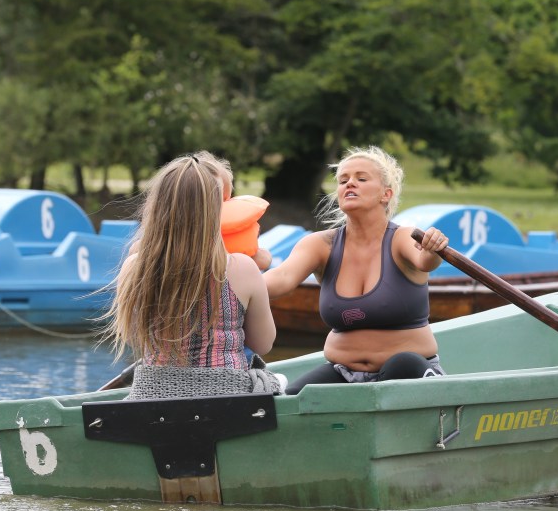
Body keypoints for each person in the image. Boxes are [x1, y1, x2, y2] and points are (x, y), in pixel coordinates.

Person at [264, 145, 449, 395]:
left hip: (409, 372)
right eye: (343, 180)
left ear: (385, 194)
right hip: (344, 372)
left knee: (401, 364)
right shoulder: (321, 245)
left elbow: (425, 261)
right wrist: (233, 285)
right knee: (293, 400)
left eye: (361, 179)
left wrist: (431, 249)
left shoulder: (402, 237)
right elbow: (281, 278)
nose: (350, 184)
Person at [101, 151, 283, 399]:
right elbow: (264, 343)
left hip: (153, 397)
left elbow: (135, 339)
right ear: (217, 211)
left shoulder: (134, 267)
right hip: (228, 398)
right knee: (278, 382)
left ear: (157, 207)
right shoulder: (243, 267)